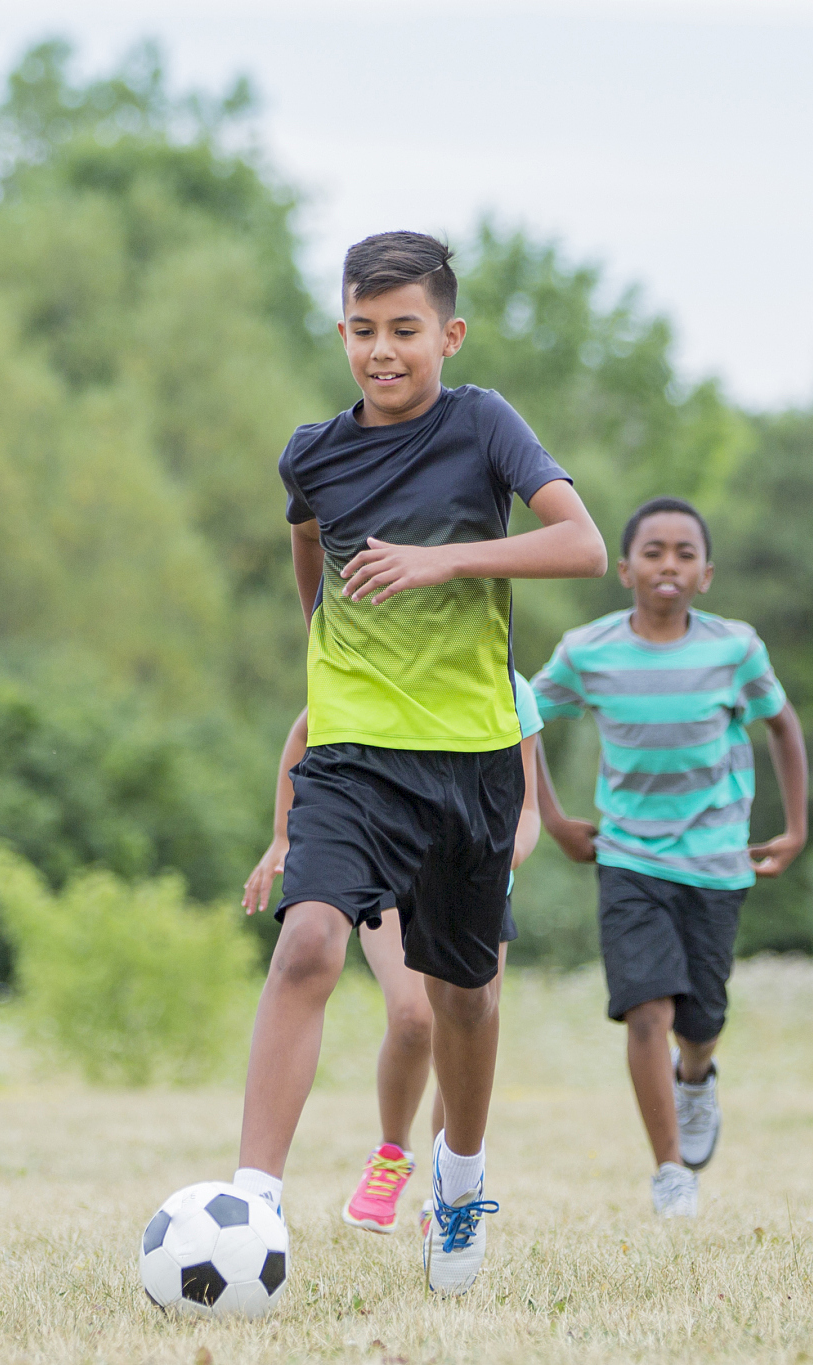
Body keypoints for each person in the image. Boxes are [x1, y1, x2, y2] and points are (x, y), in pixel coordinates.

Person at [234, 230, 606, 1296]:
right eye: (361, 329)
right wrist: (325, 642)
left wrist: (442, 559)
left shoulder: (482, 424)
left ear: (446, 332)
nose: (380, 350)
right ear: (341, 330)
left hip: (473, 756)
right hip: (353, 751)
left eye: (403, 330)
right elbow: (307, 546)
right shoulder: (310, 453)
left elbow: (581, 545)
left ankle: (459, 1177)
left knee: (463, 998)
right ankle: (252, 1197)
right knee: (307, 940)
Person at [530, 497, 809, 1218]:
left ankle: (698, 1075)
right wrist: (552, 816)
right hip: (627, 856)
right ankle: (670, 1172)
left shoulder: (734, 648)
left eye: (685, 553)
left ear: (706, 574)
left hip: (717, 859)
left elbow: (782, 724)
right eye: (653, 551)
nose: (668, 564)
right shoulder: (587, 650)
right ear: (624, 569)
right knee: (644, 1010)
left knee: (699, 1019)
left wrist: (797, 825)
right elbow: (519, 715)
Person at [241, 671, 543, 1239]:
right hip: (387, 861)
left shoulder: (510, 690)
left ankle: (448, 1183)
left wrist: (505, 857)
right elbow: (307, 731)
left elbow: (527, 811)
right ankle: (391, 1154)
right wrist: (283, 836)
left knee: (464, 1014)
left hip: (470, 869)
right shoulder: (383, 653)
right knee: (414, 1018)